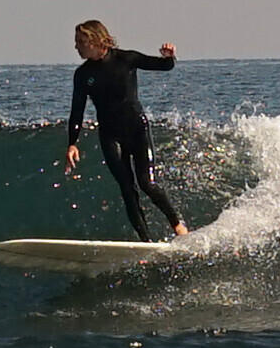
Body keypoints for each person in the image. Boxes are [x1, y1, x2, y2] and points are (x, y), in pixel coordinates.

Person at [65, 20, 189, 242]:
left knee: (147, 183)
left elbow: (162, 66)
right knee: (126, 188)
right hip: (110, 134)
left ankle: (177, 225)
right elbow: (77, 111)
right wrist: (72, 143)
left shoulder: (126, 59)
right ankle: (146, 242)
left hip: (136, 128)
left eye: (80, 42)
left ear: (95, 40)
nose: (76, 47)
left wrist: (169, 57)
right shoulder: (82, 75)